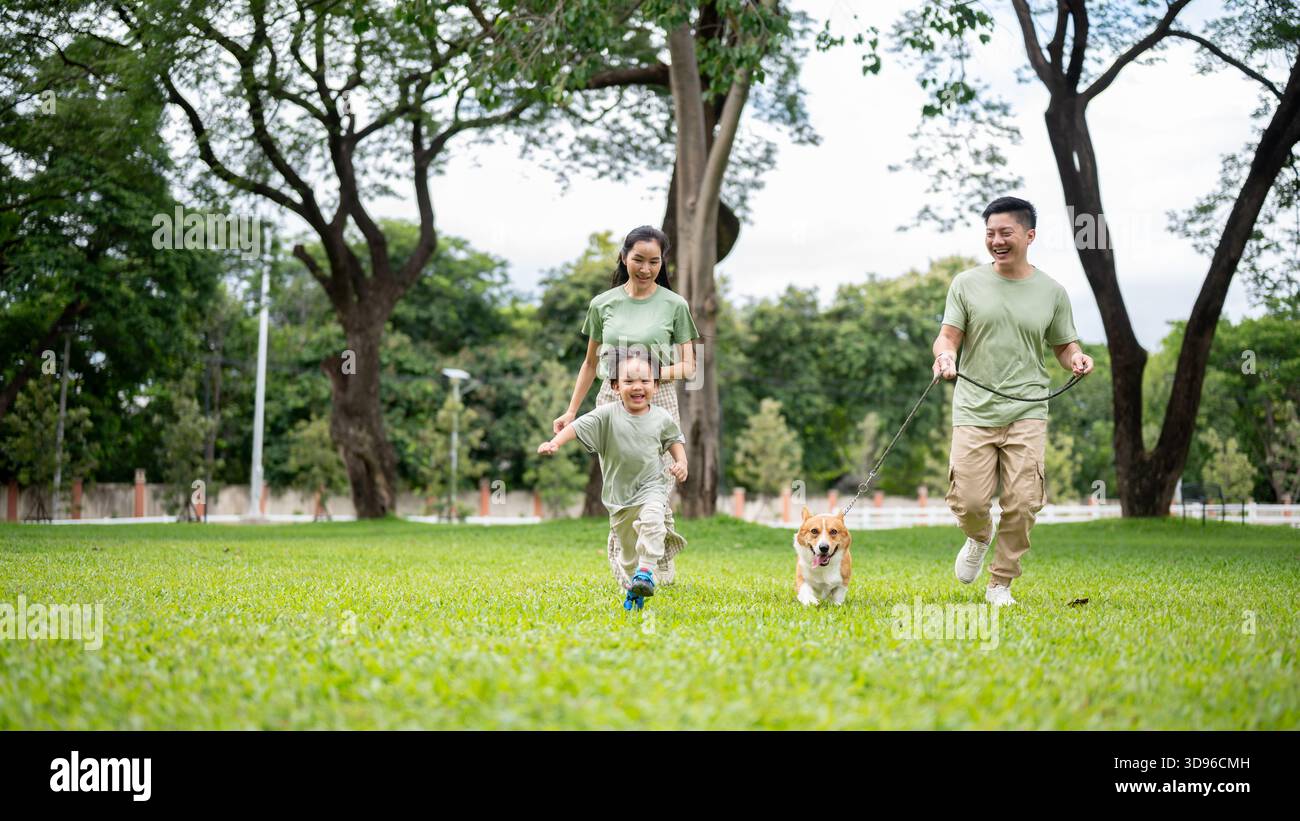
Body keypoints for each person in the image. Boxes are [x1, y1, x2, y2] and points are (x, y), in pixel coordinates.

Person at [932, 196, 1094, 607]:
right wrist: (945, 355)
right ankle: (978, 536)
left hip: (1027, 409)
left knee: (1023, 502)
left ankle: (1000, 583)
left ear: (1029, 235)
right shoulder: (966, 283)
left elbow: (1063, 345)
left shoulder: (1052, 292)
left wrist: (1074, 357)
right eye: (990, 234)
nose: (997, 241)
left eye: (1006, 233)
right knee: (968, 501)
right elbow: (949, 336)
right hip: (973, 409)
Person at [552, 226, 699, 588]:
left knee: (659, 488)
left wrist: (646, 376)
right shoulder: (603, 304)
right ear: (624, 257)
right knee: (622, 488)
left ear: (662, 263)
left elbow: (689, 366)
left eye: (654, 262)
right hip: (612, 400)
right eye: (638, 260)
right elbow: (590, 364)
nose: (645, 269)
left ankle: (657, 569)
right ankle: (626, 570)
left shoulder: (674, 305)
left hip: (658, 398)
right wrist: (572, 411)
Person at [539, 349, 688, 611]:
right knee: (628, 554)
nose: (637, 386)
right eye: (629, 381)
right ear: (616, 386)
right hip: (619, 498)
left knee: (654, 522)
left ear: (655, 384)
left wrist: (681, 462)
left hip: (652, 486)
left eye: (644, 381)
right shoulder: (607, 414)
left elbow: (673, 440)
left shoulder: (661, 417)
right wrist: (554, 443)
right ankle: (634, 586)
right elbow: (576, 427)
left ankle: (646, 573)